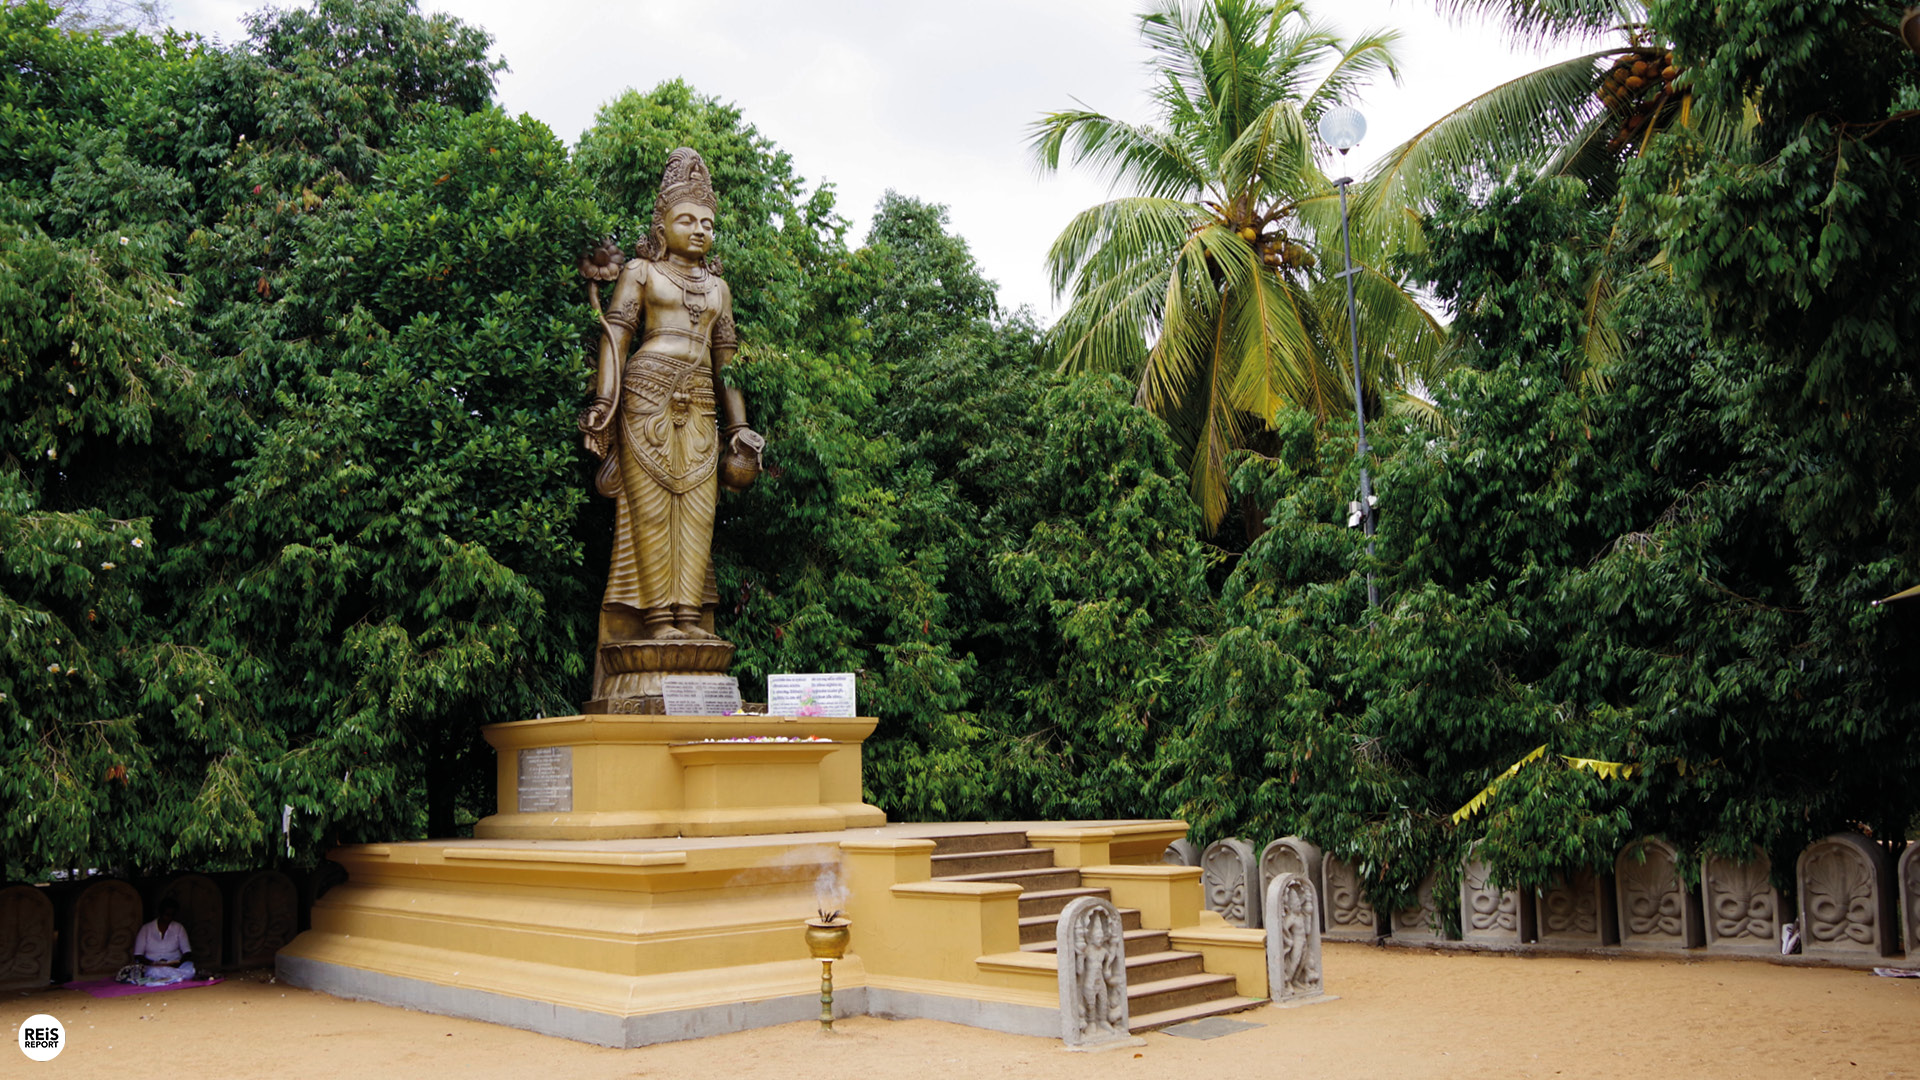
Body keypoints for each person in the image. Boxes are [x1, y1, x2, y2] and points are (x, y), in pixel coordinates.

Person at [579, 147, 762, 693]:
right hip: (645, 400)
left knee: (699, 516)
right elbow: (616, 340)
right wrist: (604, 404)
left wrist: (740, 428)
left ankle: (687, 616)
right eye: (687, 220)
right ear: (662, 224)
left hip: (701, 405)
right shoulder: (640, 272)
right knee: (653, 513)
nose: (699, 230)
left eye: (707, 222)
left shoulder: (718, 289)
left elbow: (726, 363)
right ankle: (658, 618)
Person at [121, 897, 196, 985]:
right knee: (154, 971)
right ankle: (171, 978)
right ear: (160, 913)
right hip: (152, 966)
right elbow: (138, 955)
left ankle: (169, 978)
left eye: (172, 915)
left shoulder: (179, 928)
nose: (169, 918)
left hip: (174, 966)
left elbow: (187, 952)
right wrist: (153, 963)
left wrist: (178, 963)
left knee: (190, 970)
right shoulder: (146, 929)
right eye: (167, 915)